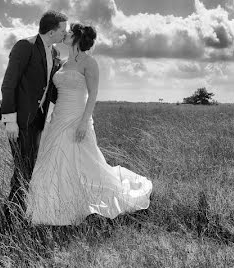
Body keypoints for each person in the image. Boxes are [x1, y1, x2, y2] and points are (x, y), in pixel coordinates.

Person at [25, 23, 152, 225]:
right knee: (54, 160)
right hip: (59, 117)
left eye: (70, 32)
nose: (65, 34)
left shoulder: (89, 62)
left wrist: (84, 122)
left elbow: (93, 94)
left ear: (77, 37)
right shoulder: (63, 63)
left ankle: (84, 203)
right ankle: (50, 208)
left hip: (78, 117)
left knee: (84, 161)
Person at [0, 10, 67, 226]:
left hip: (38, 121)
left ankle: (17, 211)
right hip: (19, 120)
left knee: (30, 166)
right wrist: (10, 120)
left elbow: (51, 90)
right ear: (52, 31)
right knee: (23, 166)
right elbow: (9, 83)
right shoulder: (24, 46)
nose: (65, 34)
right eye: (63, 30)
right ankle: (13, 216)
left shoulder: (54, 54)